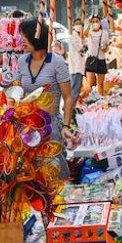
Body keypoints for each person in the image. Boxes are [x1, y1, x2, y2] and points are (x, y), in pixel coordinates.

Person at [13, 18, 75, 175]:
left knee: (54, 168)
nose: (22, 40)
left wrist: (66, 126)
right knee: (32, 171)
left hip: (51, 125)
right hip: (28, 126)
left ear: (36, 37)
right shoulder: (21, 61)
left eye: (25, 36)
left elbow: (68, 97)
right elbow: (19, 91)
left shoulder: (57, 62)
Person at [84, 14, 110, 96]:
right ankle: (88, 100)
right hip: (91, 58)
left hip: (101, 58)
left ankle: (100, 99)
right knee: (90, 83)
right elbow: (84, 34)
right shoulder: (89, 32)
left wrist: (105, 48)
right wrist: (88, 23)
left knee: (101, 83)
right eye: (93, 21)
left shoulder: (104, 33)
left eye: (97, 21)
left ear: (100, 22)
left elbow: (106, 46)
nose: (95, 23)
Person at [67, 18, 86, 101]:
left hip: (79, 66)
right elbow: (81, 49)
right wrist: (86, 45)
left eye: (80, 24)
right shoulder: (73, 36)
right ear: (74, 26)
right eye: (77, 24)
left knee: (77, 88)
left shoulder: (78, 37)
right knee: (75, 88)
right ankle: (69, 107)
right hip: (76, 67)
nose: (79, 26)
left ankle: (72, 106)